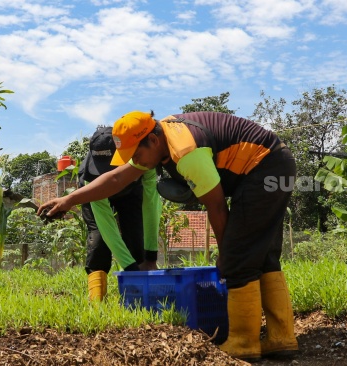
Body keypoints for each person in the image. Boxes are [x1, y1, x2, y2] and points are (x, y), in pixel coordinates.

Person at [38, 110, 298, 361]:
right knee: (261, 255)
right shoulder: (159, 137)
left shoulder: (186, 152)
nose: (136, 160)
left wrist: (226, 256)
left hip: (266, 170)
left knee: (239, 258)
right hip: (271, 167)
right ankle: (281, 338)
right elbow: (116, 179)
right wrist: (68, 200)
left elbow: (217, 207)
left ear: (152, 140)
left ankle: (243, 342)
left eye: (137, 153)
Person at [76, 126, 161, 301]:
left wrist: (151, 255)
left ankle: (136, 299)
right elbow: (105, 223)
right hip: (97, 196)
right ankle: (96, 302)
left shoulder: (143, 160)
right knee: (98, 240)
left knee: (136, 238)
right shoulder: (90, 177)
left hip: (130, 192)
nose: (105, 174)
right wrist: (130, 268)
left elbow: (151, 203)